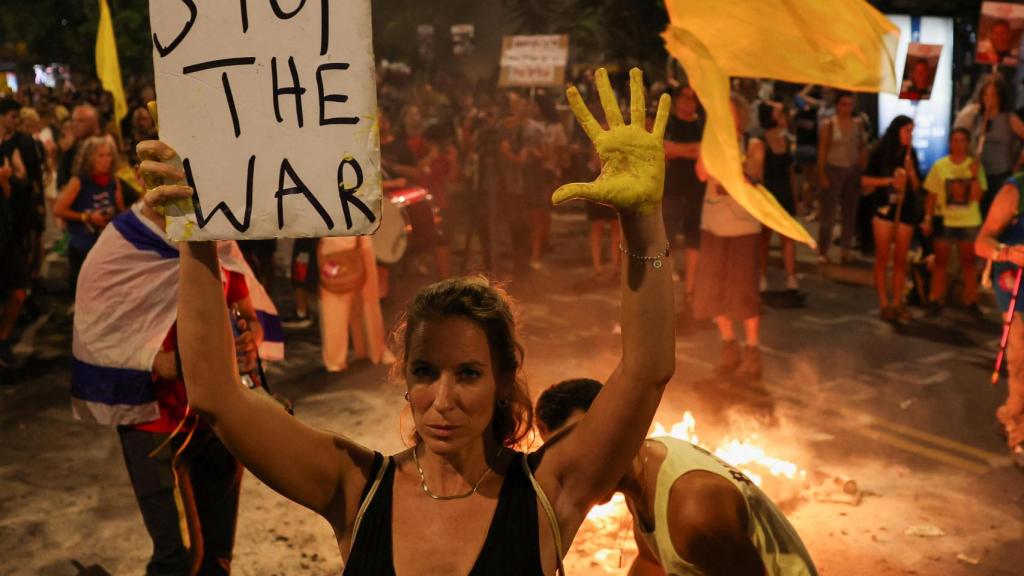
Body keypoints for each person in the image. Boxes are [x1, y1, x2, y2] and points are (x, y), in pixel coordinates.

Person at [139, 67, 675, 575]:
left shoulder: (548, 489)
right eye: (424, 371)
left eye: (468, 373)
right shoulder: (355, 487)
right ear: (404, 378)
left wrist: (644, 224)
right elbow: (215, 395)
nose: (442, 400)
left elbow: (646, 371)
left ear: (504, 378)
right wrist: (196, 235)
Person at [71, 191, 282, 574]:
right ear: (144, 177)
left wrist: (250, 339)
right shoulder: (122, 245)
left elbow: (248, 316)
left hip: (217, 420)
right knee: (178, 557)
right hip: (154, 425)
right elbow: (95, 329)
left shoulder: (214, 235)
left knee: (217, 558)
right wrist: (151, 358)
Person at [535, 379, 819, 576]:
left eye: (584, 442)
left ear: (618, 423)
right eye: (561, 454)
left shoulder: (693, 511)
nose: (572, 466)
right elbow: (650, 563)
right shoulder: (638, 473)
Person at [693, 93, 765, 380]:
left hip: (743, 227)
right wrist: (710, 150)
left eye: (730, 113)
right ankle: (728, 343)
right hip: (713, 224)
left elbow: (754, 176)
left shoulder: (753, 144)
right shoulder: (710, 144)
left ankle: (752, 349)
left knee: (742, 289)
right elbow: (701, 173)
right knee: (711, 288)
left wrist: (733, 168)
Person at [976, 173, 1024, 469]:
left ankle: (1009, 413)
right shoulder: (1014, 190)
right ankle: (1019, 432)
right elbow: (982, 242)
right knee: (1021, 362)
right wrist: (1006, 252)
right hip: (1018, 285)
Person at [922, 128, 986, 315]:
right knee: (941, 261)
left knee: (969, 262)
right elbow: (931, 196)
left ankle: (971, 300)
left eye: (962, 141)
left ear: (967, 144)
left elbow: (977, 197)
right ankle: (936, 298)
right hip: (945, 219)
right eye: (954, 141)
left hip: (968, 220)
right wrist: (928, 218)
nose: (958, 145)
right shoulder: (940, 166)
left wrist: (974, 176)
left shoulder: (975, 166)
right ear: (950, 143)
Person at [863, 116, 921, 321]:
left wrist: (911, 172)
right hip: (884, 209)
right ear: (897, 131)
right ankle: (884, 303)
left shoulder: (910, 154)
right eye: (907, 131)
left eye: (912, 131)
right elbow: (865, 179)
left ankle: (897, 301)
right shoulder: (880, 152)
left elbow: (916, 187)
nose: (910, 135)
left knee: (900, 259)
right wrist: (890, 180)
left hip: (905, 210)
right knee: (882, 256)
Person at [54, 134, 125, 297]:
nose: (106, 160)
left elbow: (120, 210)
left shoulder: (113, 181)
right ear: (89, 158)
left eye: (108, 155)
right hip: (82, 244)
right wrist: (87, 217)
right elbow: (58, 209)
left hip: (105, 244)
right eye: (101, 155)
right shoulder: (79, 181)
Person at [318, 235, 394, 372]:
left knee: (367, 301)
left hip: (359, 241)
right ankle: (335, 359)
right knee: (335, 303)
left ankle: (374, 350)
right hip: (332, 244)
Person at [663, 85, 705, 320]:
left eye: (693, 98)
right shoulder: (669, 125)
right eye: (686, 98)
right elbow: (666, 149)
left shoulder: (701, 125)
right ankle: (663, 287)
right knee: (666, 237)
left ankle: (690, 292)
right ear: (677, 101)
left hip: (697, 189)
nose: (690, 102)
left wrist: (682, 151)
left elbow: (706, 152)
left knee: (694, 240)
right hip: (672, 189)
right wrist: (692, 150)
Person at [817, 91, 866, 264]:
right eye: (843, 104)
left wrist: (862, 169)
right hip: (833, 168)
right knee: (828, 214)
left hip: (852, 170)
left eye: (850, 104)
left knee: (849, 213)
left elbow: (861, 147)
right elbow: (822, 150)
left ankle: (846, 249)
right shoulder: (829, 124)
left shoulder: (857, 124)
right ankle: (823, 249)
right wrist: (822, 173)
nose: (847, 108)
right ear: (837, 106)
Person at [966, 77, 1024, 217]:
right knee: (979, 214)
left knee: (998, 214)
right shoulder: (978, 118)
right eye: (985, 94)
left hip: (1002, 174)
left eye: (992, 95)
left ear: (1000, 97)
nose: (988, 99)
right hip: (981, 176)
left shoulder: (1009, 118)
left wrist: (1018, 165)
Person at [758, 102, 799, 292]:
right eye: (780, 113)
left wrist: (795, 196)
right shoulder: (761, 140)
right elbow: (759, 173)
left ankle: (791, 278)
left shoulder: (787, 140)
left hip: (784, 193)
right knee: (764, 238)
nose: (785, 117)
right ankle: (761, 276)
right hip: (768, 194)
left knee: (787, 236)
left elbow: (790, 172)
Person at [525, 93, 567, 271]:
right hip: (532, 172)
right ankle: (538, 243)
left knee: (543, 210)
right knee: (536, 211)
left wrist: (557, 170)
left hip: (547, 171)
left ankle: (542, 243)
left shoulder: (556, 127)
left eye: (535, 106)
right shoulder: (530, 126)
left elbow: (559, 150)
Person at [791, 86, 822, 219]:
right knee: (813, 181)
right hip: (812, 148)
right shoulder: (816, 112)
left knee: (805, 180)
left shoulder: (799, 113)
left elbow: (798, 97)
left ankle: (805, 206)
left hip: (801, 147)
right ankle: (811, 207)